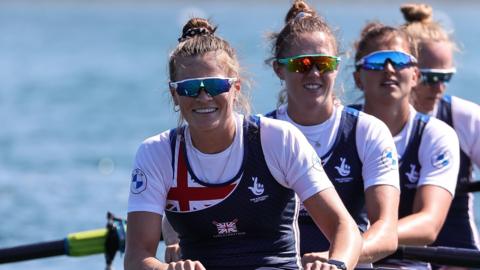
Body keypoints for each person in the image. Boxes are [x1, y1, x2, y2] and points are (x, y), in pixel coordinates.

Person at [124, 17, 362, 270]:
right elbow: (137, 257)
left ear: (236, 88)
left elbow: (343, 227)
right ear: (174, 94)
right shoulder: (156, 154)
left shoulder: (278, 140)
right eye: (190, 88)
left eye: (216, 85)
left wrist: (336, 266)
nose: (204, 97)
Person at [265, 0, 400, 265]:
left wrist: (336, 259)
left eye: (324, 63)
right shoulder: (259, 134)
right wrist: (176, 236)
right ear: (279, 69)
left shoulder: (367, 131)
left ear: (337, 67)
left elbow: (386, 232)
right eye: (302, 64)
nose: (314, 72)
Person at [352, 21, 460, 269]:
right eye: (377, 62)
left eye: (398, 60)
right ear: (359, 78)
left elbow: (429, 224)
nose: (388, 69)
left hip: (405, 263)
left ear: (415, 76)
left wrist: (360, 242)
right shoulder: (339, 128)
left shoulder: (436, 135)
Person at [400, 3, 480, 259]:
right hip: (393, 255)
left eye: (445, 78)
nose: (439, 88)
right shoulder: (369, 123)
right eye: (430, 78)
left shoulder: (465, 118)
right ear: (408, 73)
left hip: (458, 256)